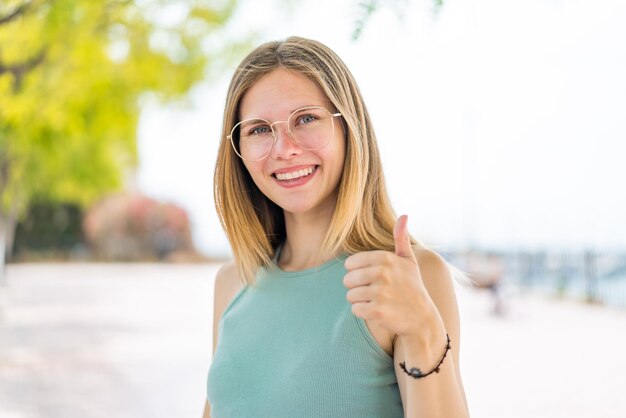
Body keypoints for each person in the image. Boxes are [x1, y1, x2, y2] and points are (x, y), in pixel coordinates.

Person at [203, 36, 469, 418]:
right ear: (238, 150)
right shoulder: (233, 282)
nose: (284, 148)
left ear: (349, 128)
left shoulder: (409, 276)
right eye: (259, 129)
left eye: (306, 119)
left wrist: (424, 330)